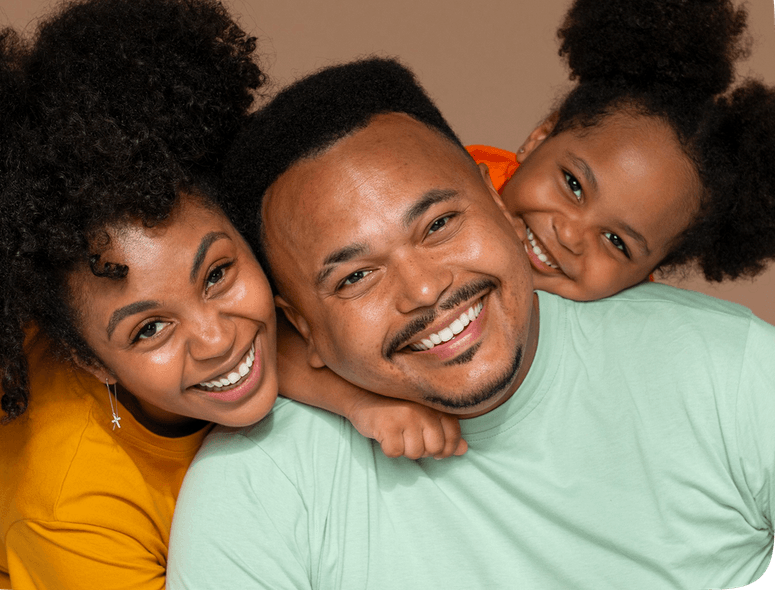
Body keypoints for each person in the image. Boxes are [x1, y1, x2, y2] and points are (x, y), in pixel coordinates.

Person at [166, 56, 775, 589]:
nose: (424, 289)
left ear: (494, 196)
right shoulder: (258, 489)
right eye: (355, 277)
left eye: (438, 225)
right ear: (300, 325)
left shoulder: (729, 373)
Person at [260, 0, 775, 461]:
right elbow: (275, 334)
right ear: (538, 138)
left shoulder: (640, 336)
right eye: (573, 185)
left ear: (646, 276)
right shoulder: (445, 183)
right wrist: (359, 404)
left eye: (617, 242)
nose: (570, 235)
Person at [0, 0, 278, 589]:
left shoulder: (270, 270)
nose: (216, 339)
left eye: (215, 275)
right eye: (149, 329)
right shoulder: (73, 511)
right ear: (91, 361)